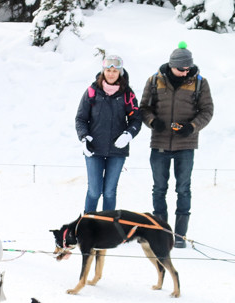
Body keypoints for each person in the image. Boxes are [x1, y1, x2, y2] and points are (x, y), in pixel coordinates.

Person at [140, 42, 214, 247]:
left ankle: (180, 236)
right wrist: (153, 122)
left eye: (188, 68)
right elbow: (144, 108)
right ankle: (161, 233)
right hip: (159, 145)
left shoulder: (200, 82)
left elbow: (207, 111)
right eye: (182, 69)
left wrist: (192, 127)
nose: (185, 72)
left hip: (186, 146)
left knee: (183, 189)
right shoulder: (154, 81)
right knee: (159, 189)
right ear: (172, 65)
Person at [74, 54, 142, 213]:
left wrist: (128, 134)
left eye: (115, 71)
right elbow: (81, 118)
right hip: (94, 149)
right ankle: (87, 227)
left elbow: (136, 119)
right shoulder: (92, 92)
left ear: (120, 73)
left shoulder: (127, 94)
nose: (111, 74)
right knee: (94, 191)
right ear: (103, 71)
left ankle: (107, 228)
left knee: (110, 192)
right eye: (108, 70)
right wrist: (84, 137)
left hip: (117, 151)